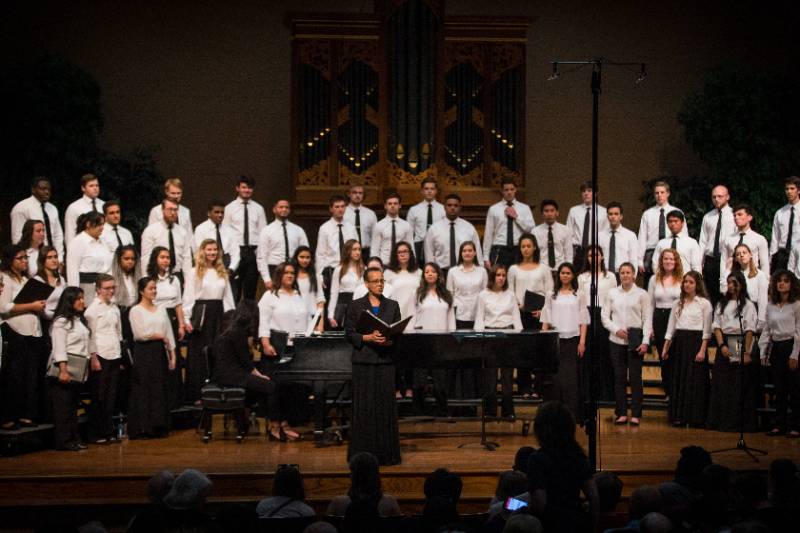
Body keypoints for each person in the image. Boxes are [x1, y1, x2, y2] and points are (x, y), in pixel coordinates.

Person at [344, 268, 402, 465]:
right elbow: (349, 333)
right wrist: (366, 337)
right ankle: (362, 455)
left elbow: (397, 334)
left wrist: (389, 339)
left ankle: (387, 455)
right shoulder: (355, 306)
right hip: (364, 361)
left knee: (384, 407)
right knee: (365, 407)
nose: (380, 284)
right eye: (375, 281)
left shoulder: (392, 305)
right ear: (366, 284)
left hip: (385, 361)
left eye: (382, 281)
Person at [526, 401, 598, 533]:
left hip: (550, 524)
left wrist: (523, 507)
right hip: (574, 521)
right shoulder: (577, 456)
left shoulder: (537, 459)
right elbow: (594, 497)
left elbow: (540, 504)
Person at [257, 262, 310, 441]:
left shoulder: (298, 296)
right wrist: (265, 343)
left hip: (295, 347)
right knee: (275, 387)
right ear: (279, 275)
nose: (290, 275)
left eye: (292, 273)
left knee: (290, 388)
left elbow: (305, 320)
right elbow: (263, 322)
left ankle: (286, 424)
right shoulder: (270, 296)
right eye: (286, 273)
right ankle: (274, 426)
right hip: (276, 345)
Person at [213, 300, 279, 440]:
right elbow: (246, 363)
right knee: (270, 386)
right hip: (231, 375)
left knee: (256, 387)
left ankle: (244, 419)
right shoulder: (238, 332)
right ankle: (275, 427)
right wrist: (260, 375)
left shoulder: (231, 329)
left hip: (226, 374)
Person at [182, 239, 235, 403]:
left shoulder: (222, 272)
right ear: (202, 251)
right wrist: (186, 318)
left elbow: (228, 298)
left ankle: (218, 389)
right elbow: (189, 297)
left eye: (214, 250)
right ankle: (198, 394)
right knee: (199, 354)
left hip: (219, 315)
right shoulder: (194, 272)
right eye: (209, 249)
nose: (212, 253)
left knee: (218, 352)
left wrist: (231, 319)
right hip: (202, 314)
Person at [0, 245, 47, 430]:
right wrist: (31, 305)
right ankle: (10, 416)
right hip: (14, 330)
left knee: (30, 375)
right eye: (20, 258)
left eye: (26, 258)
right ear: (10, 260)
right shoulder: (4, 278)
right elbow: (4, 307)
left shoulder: (27, 279)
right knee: (14, 376)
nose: (25, 261)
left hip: (32, 330)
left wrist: (38, 305)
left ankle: (27, 414)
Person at [602, 262, 652, 425]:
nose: (625, 275)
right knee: (619, 378)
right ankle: (621, 412)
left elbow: (647, 319)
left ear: (634, 274)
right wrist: (616, 330)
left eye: (628, 272)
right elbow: (605, 316)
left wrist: (645, 341)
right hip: (616, 340)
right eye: (622, 272)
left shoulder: (642, 294)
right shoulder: (612, 293)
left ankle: (636, 413)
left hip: (635, 340)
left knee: (636, 378)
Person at [707, 271, 758, 432]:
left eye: (734, 283)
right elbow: (716, 326)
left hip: (739, 340)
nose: (730, 286)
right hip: (724, 341)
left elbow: (749, 329)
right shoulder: (722, 304)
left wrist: (747, 351)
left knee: (737, 383)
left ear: (741, 285)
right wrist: (721, 345)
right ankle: (721, 420)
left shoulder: (748, 305)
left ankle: (737, 422)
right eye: (729, 282)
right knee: (722, 382)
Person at [661, 271, 713, 427]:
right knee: (679, 379)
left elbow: (707, 330)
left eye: (691, 282)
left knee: (694, 381)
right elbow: (671, 329)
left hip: (695, 343)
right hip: (679, 344)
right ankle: (679, 416)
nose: (687, 285)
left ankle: (695, 417)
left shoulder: (704, 303)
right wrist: (665, 347)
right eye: (685, 282)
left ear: (697, 285)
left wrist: (702, 350)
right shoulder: (678, 303)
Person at [128, 276, 177, 439]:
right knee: (144, 388)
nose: (154, 291)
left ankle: (159, 425)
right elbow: (139, 334)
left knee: (159, 388)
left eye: (155, 288)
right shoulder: (135, 310)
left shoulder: (161, 309)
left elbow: (168, 332)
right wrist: (156, 335)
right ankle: (143, 426)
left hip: (159, 351)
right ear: (142, 291)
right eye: (150, 288)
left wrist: (173, 354)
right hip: (144, 351)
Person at [540, 263, 589, 420]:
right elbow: (546, 318)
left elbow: (583, 320)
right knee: (556, 379)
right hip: (555, 340)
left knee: (571, 378)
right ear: (558, 275)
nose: (565, 275)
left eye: (568, 273)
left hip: (572, 340)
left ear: (573, 275)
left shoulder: (579, 295)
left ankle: (572, 413)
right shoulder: (551, 295)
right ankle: (555, 414)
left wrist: (582, 341)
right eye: (562, 273)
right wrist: (544, 339)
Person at [475, 264, 523, 418]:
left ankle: (508, 411)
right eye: (498, 275)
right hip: (490, 335)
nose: (501, 278)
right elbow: (479, 318)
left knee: (507, 375)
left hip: (508, 334)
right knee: (490, 376)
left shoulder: (510, 294)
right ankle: (490, 411)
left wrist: (518, 336)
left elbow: (516, 317)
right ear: (492, 277)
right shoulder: (483, 295)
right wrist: (480, 339)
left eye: (503, 275)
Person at [507, 233, 553, 398]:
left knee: (539, 351)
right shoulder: (513, 269)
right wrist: (516, 307)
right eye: (523, 246)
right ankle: (524, 387)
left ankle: (539, 387)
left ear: (534, 247)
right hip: (520, 314)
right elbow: (510, 291)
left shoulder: (543, 268)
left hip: (538, 314)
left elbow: (549, 291)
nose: (526, 249)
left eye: (529, 246)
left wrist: (544, 311)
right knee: (522, 351)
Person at [758, 270, 800, 438]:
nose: (782, 284)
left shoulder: (796, 304)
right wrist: (763, 350)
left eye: (786, 281)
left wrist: (795, 354)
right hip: (776, 347)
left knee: (795, 389)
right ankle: (779, 423)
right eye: (779, 281)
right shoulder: (771, 305)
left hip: (792, 346)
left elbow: (799, 331)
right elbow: (767, 329)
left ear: (792, 284)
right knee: (779, 388)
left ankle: (796, 425)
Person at [410, 262, 455, 416]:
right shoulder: (418, 294)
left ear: (438, 275)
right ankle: (418, 410)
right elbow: (412, 316)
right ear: (424, 276)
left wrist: (451, 338)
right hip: (422, 340)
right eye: (427, 271)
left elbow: (451, 319)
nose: (429, 274)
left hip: (441, 340)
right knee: (419, 376)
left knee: (440, 376)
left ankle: (442, 409)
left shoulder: (447, 295)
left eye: (433, 271)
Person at [49, 286, 90, 450]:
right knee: (63, 407)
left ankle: (73, 438)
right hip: (65, 369)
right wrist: (63, 370)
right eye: (78, 299)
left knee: (72, 406)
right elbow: (59, 346)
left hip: (78, 369)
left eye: (82, 298)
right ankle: (64, 440)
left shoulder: (78, 320)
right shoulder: (61, 321)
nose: (82, 301)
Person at [84, 274, 123, 444]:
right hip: (100, 355)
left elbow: (118, 332)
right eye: (107, 288)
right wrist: (93, 358)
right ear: (98, 289)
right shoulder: (92, 310)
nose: (111, 291)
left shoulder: (114, 308)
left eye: (112, 287)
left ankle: (108, 431)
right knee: (99, 396)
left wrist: (120, 356)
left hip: (114, 354)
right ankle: (96, 432)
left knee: (111, 396)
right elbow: (90, 336)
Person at [146, 247, 186, 407]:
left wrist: (181, 325)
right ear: (155, 259)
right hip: (155, 317)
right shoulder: (149, 279)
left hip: (172, 318)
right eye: (162, 257)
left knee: (173, 354)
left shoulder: (174, 279)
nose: (166, 260)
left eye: (168, 257)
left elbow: (178, 304)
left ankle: (174, 398)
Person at [577, 245, 617, 402]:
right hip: (587, 315)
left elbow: (615, 298)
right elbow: (579, 301)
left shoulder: (611, 277)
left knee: (604, 355)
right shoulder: (582, 277)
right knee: (587, 355)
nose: (593, 258)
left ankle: (605, 393)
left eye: (596, 255)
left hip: (605, 316)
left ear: (602, 257)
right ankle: (587, 393)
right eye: (590, 256)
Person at [385, 241, 422, 399]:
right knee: (396, 355)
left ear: (410, 254)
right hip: (395, 318)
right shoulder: (389, 273)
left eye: (406, 251)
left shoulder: (418, 272)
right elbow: (385, 296)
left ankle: (410, 387)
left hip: (414, 317)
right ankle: (397, 388)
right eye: (399, 252)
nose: (403, 254)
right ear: (395, 255)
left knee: (412, 355)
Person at [225, 175, 267, 301]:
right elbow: (226, 233)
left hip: (252, 253)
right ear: (237, 188)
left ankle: (249, 320)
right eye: (244, 187)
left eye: (249, 188)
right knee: (234, 291)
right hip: (236, 251)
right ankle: (233, 319)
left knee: (250, 290)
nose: (247, 190)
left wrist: (259, 254)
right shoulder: (229, 208)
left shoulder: (259, 209)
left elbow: (262, 233)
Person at [637, 181, 687, 286]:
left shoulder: (677, 212)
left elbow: (684, 234)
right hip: (652, 251)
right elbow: (642, 237)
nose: (659, 195)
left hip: (672, 249)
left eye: (662, 192)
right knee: (652, 283)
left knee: (674, 282)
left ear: (668, 193)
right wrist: (640, 260)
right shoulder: (648, 214)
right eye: (657, 193)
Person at [648, 248, 683, 397]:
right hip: (659, 317)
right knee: (664, 355)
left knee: (675, 355)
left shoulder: (682, 278)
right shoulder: (654, 279)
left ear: (676, 262)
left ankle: (676, 390)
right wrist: (649, 326)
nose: (668, 261)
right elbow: (650, 304)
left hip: (677, 317)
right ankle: (667, 388)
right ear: (661, 261)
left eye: (671, 259)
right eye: (665, 259)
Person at [326, 452, 402, 516]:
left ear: (353, 476)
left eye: (351, 472)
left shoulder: (339, 503)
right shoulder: (389, 502)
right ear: (376, 475)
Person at [425, 193, 483, 275]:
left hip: (464, 271)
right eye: (449, 205)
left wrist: (480, 270)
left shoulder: (469, 228)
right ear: (444, 207)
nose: (452, 208)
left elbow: (477, 252)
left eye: (456, 206)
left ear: (460, 208)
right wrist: (431, 271)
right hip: (441, 272)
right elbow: (429, 253)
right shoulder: (434, 229)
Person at [483, 177, 535, 267]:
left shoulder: (524, 208)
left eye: (512, 189)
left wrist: (516, 217)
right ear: (502, 191)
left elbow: (531, 229)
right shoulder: (493, 209)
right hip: (499, 247)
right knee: (499, 278)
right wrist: (486, 257)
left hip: (518, 248)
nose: (509, 192)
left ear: (516, 190)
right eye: (506, 190)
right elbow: (488, 233)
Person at [10, 176, 64, 261]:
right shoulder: (21, 208)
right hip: (32, 257)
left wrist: (60, 258)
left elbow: (58, 235)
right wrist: (24, 260)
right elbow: (17, 237)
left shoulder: (52, 208)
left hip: (51, 257)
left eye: (49, 189)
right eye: (43, 189)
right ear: (33, 190)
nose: (47, 192)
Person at [257, 199, 309, 287]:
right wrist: (267, 279)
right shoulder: (266, 231)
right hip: (274, 269)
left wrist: (303, 272)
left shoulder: (298, 230)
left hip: (294, 269)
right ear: (274, 209)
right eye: (281, 207)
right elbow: (261, 257)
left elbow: (306, 253)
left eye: (286, 207)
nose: (284, 209)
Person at [315, 195, 358, 302]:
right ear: (331, 209)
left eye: (343, 206)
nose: (340, 209)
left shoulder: (351, 228)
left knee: (350, 301)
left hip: (349, 269)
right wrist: (319, 275)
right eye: (337, 207)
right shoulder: (325, 228)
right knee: (332, 303)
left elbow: (357, 249)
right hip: (332, 270)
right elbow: (320, 254)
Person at [699, 185, 735, 306]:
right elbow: (703, 242)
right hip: (711, 260)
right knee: (711, 294)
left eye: (720, 196)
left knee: (727, 292)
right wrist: (700, 264)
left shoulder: (734, 216)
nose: (716, 199)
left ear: (727, 197)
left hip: (727, 260)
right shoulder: (708, 217)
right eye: (714, 197)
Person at [67, 211, 113, 305]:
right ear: (88, 224)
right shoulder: (78, 242)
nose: (102, 227)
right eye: (99, 224)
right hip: (87, 287)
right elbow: (72, 269)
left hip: (105, 287)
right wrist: (75, 295)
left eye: (103, 224)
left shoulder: (103, 242)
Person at [140, 198, 193, 282]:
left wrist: (188, 280)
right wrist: (146, 279)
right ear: (163, 210)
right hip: (157, 275)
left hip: (177, 275)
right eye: (170, 209)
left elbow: (187, 258)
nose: (172, 213)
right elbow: (146, 257)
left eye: (175, 210)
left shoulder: (183, 232)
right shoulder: (151, 231)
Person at [722, 243, 769, 331]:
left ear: (750, 255)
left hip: (753, 313)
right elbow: (724, 290)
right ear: (735, 259)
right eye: (738, 254)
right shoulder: (734, 275)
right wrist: (727, 269)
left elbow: (763, 301)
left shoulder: (760, 275)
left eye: (744, 252)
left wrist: (761, 323)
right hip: (735, 313)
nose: (741, 255)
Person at [566, 181, 608, 271]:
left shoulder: (603, 212)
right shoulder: (573, 211)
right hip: (578, 251)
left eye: (589, 190)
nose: (586, 193)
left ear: (595, 193)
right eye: (583, 191)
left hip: (595, 251)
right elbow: (568, 232)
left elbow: (605, 234)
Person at [720, 203, 770, 278]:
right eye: (735, 215)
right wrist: (723, 280)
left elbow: (764, 264)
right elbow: (723, 263)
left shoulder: (759, 239)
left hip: (753, 277)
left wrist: (765, 282)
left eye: (740, 214)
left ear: (749, 217)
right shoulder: (728, 240)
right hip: (733, 279)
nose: (736, 218)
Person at [194, 199, 240, 274]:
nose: (220, 215)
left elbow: (236, 252)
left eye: (222, 212)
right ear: (209, 213)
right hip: (208, 267)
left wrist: (231, 269)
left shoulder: (229, 230)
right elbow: (199, 252)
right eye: (216, 212)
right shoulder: (200, 229)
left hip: (227, 267)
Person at [651, 210, 703, 275]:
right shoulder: (661, 243)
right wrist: (662, 278)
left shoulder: (692, 243)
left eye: (676, 221)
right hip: (665, 281)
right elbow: (655, 264)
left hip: (684, 281)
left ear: (682, 223)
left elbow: (696, 266)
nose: (673, 224)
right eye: (670, 221)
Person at [328, 239, 364, 329]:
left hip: (359, 307)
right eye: (354, 249)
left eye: (359, 249)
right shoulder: (339, 270)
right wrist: (330, 314)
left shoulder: (364, 269)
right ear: (348, 250)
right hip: (343, 307)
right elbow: (334, 293)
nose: (358, 252)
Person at [407, 177, 445, 262]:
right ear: (422, 191)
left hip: (438, 244)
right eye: (426, 189)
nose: (429, 191)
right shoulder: (414, 210)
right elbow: (409, 234)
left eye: (432, 189)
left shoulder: (443, 209)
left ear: (436, 191)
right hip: (419, 245)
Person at [147, 177, 194, 245]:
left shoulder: (186, 211)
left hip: (181, 248)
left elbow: (189, 235)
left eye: (179, 193)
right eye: (173, 193)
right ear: (166, 192)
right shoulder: (156, 211)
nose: (176, 196)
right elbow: (151, 233)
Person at [371, 192, 413, 264]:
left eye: (395, 203)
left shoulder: (406, 225)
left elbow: (410, 247)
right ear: (385, 206)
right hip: (384, 263)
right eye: (390, 204)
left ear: (400, 205)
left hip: (402, 264)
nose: (392, 206)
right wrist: (375, 265)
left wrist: (412, 264)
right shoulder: (378, 225)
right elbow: (375, 249)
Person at [64, 173, 105, 248]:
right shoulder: (74, 207)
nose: (95, 188)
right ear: (83, 188)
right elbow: (70, 234)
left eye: (97, 185)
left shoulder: (103, 205)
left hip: (103, 246)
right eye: (91, 186)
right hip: (83, 247)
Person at [598, 201, 638, 276]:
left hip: (623, 274)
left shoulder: (630, 235)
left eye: (616, 214)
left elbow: (633, 259)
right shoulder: (600, 236)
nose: (613, 216)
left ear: (621, 216)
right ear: (607, 216)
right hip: (604, 274)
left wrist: (633, 277)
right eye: (610, 214)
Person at [291, 245, 325, 330]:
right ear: (296, 258)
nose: (305, 260)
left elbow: (320, 301)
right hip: (293, 317)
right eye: (302, 257)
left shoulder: (316, 277)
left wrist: (320, 324)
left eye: (307, 257)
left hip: (312, 319)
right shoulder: (291, 276)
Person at [769, 175, 800, 271]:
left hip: (797, 252)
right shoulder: (780, 213)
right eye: (787, 189)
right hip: (782, 255)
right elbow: (775, 238)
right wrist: (772, 258)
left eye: (792, 188)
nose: (789, 191)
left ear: (798, 190)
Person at [533, 199, 573, 273]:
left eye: (552, 210)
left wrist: (568, 271)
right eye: (546, 211)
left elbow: (568, 254)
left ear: (557, 213)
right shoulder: (535, 231)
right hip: (542, 270)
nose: (549, 214)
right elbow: (534, 255)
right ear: (542, 214)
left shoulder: (566, 230)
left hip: (560, 270)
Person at [344, 184, 378, 260]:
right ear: (349, 194)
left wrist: (374, 255)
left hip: (366, 253)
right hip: (348, 252)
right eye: (354, 192)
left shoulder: (370, 214)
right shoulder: (343, 212)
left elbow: (375, 236)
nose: (357, 195)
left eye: (360, 193)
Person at [34, 244, 66, 321]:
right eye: (49, 258)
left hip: (61, 319)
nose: (54, 260)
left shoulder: (61, 279)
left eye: (55, 257)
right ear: (42, 260)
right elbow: (39, 307)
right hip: (45, 321)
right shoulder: (38, 280)